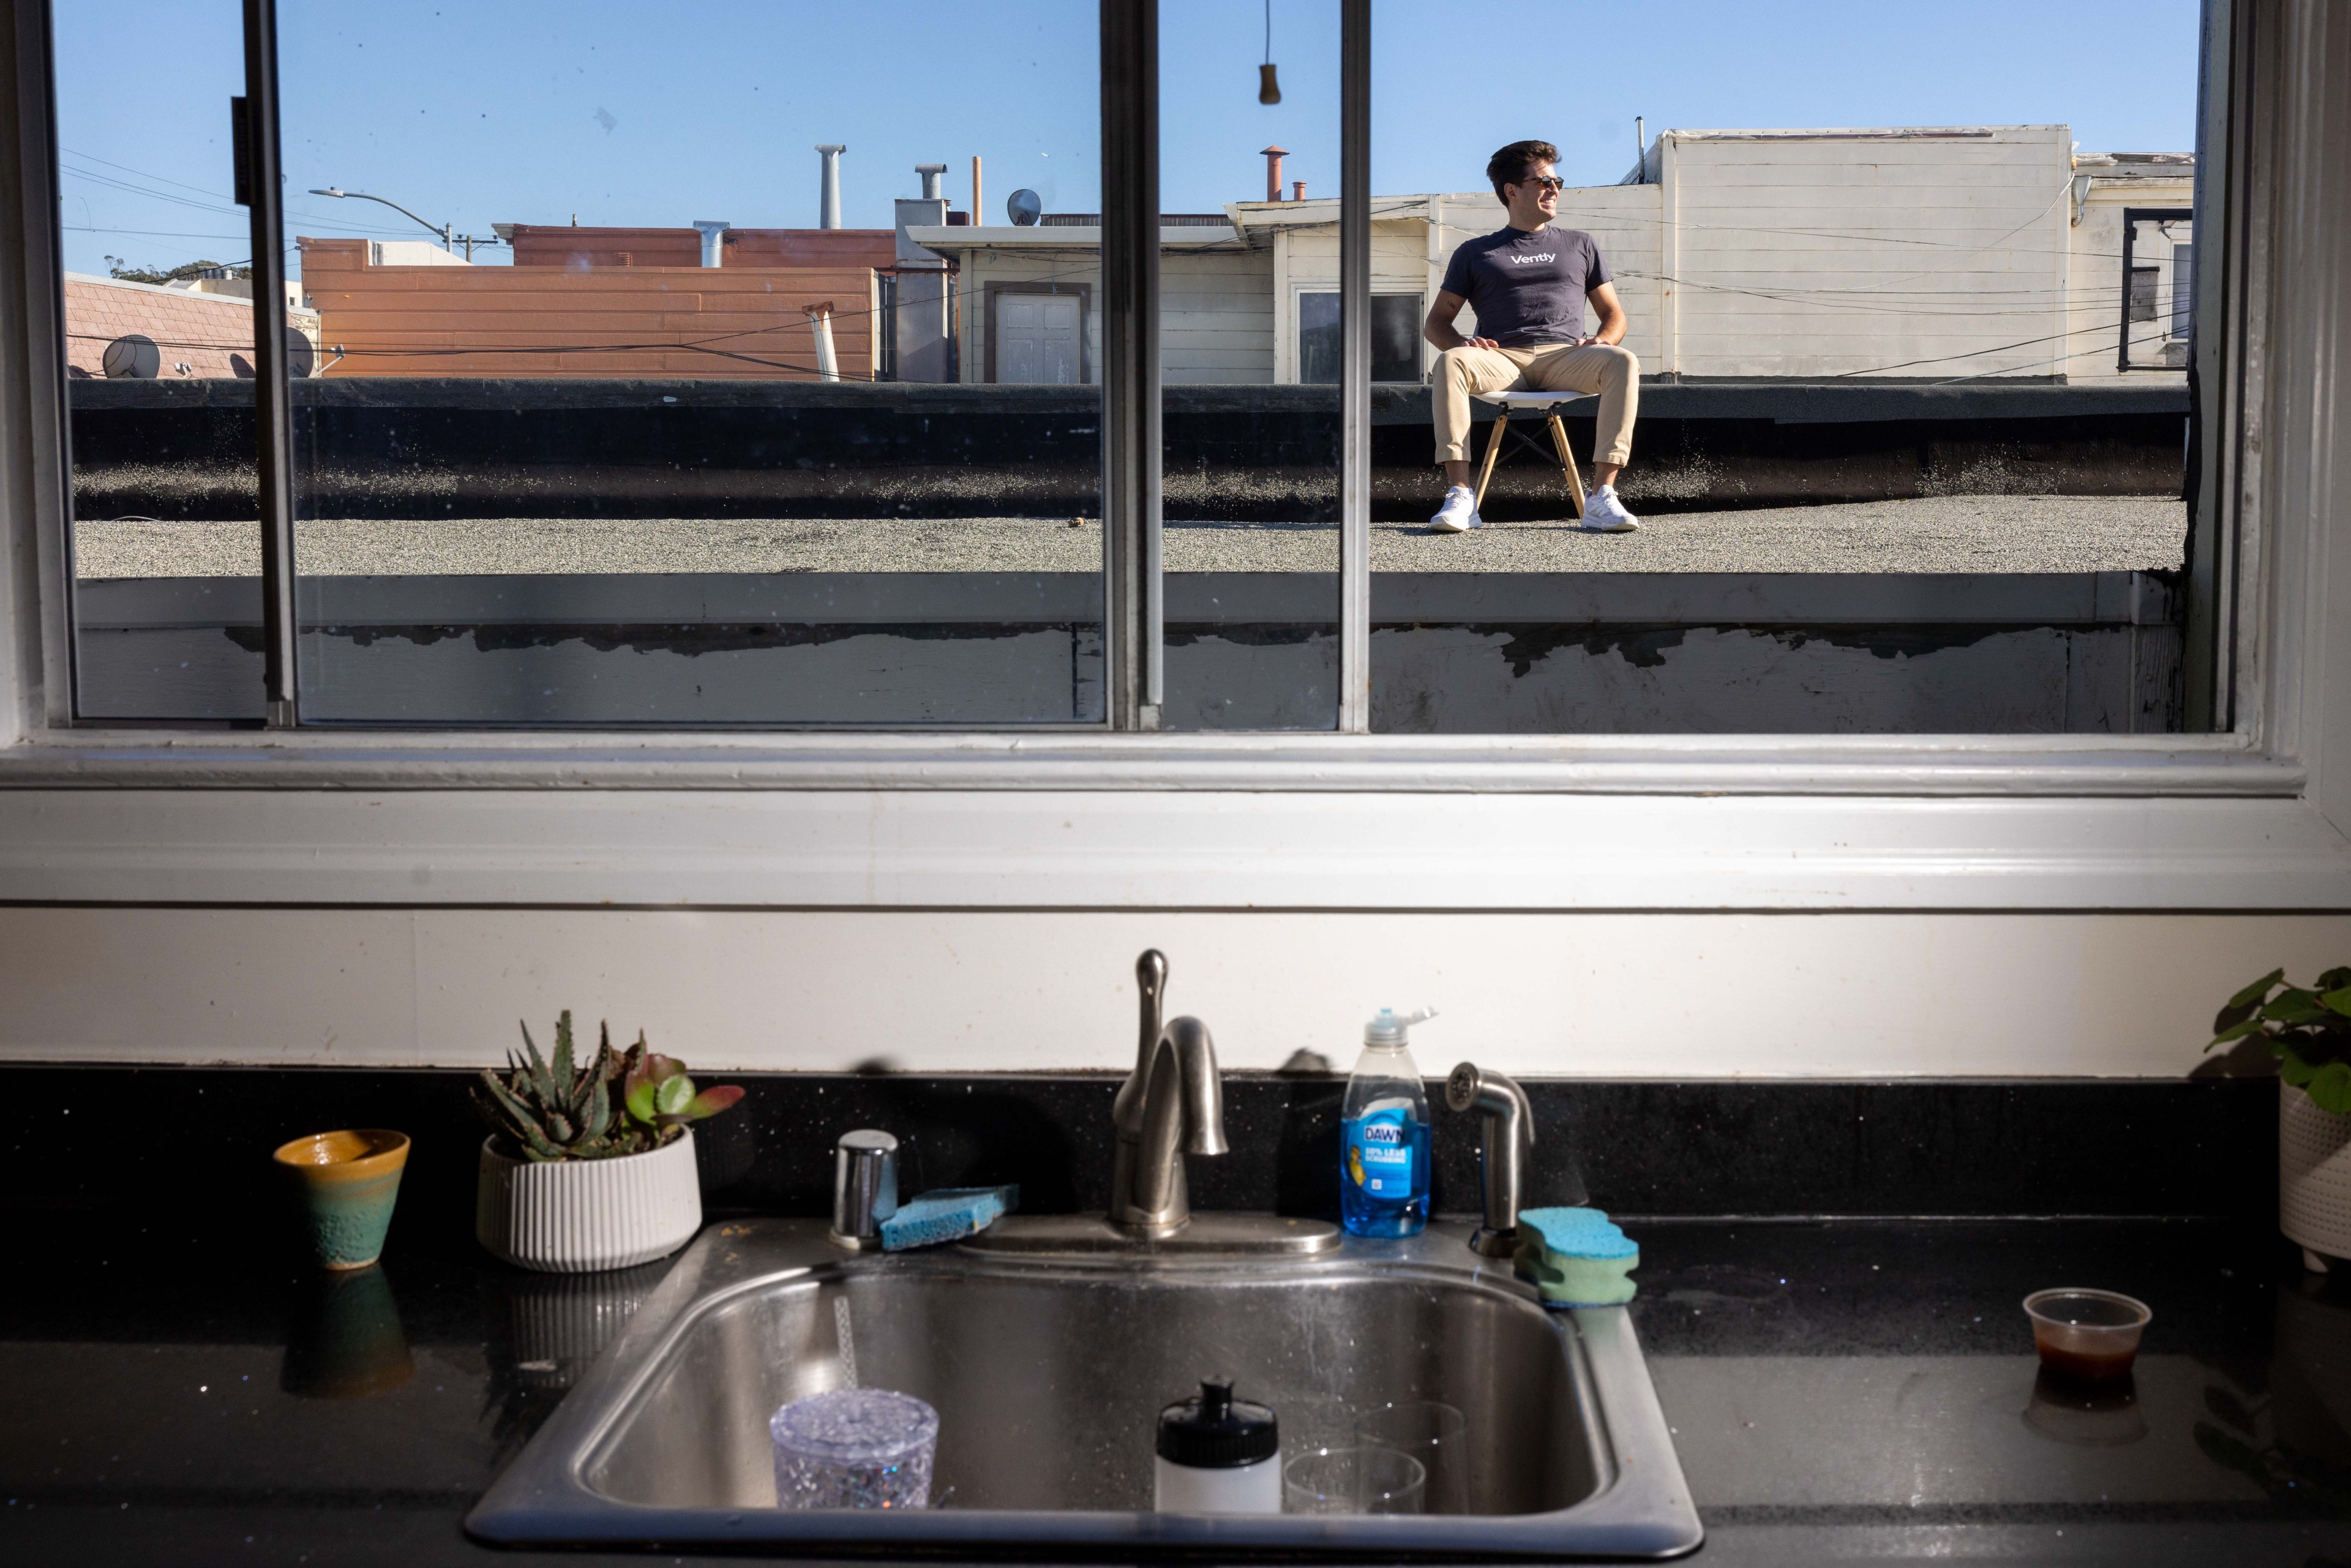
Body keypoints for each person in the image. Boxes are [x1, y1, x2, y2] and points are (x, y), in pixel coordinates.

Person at [1423, 140, 1641, 534]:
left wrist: (1604, 340)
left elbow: (1613, 316)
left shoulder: (1580, 244)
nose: (1554, 188)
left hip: (1566, 358)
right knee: (1451, 360)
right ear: (1512, 190)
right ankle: (1460, 495)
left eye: (1557, 180)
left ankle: (1602, 497)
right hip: (1502, 360)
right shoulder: (1476, 253)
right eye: (1543, 181)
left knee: (1623, 360)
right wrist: (1463, 344)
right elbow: (1436, 324)